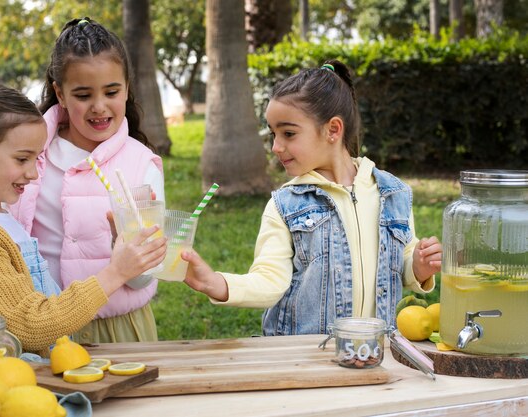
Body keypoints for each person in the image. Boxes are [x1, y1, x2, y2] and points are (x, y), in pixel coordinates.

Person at [182, 60, 442, 335]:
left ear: (332, 130)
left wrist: (418, 265)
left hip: (375, 350)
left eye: (289, 133)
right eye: (273, 134)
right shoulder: (285, 205)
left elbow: (402, 259)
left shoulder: (393, 192)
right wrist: (216, 283)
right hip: (304, 356)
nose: (276, 146)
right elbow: (270, 280)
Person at [0, 82, 166, 355]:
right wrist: (115, 272)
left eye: (37, 159)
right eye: (22, 159)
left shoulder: (1, 219)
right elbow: (29, 327)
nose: (34, 173)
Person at [9, 17, 165, 344]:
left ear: (127, 90)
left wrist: (127, 254)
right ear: (60, 94)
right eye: (82, 95)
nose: (99, 107)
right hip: (43, 327)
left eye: (112, 91)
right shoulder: (29, 155)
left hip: (119, 330)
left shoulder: (141, 165)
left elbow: (145, 277)